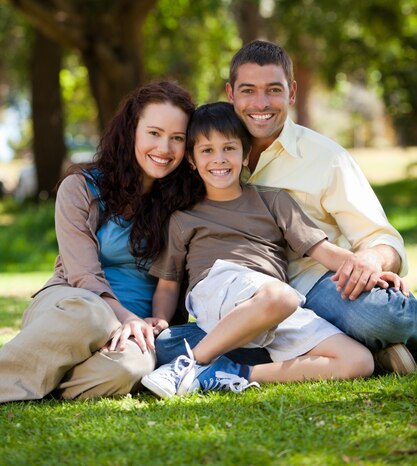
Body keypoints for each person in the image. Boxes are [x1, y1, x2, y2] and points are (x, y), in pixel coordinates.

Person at [155, 40, 417, 375]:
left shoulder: (326, 157)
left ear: (292, 92)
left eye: (273, 90)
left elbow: (382, 239)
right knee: (165, 343)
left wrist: (370, 261)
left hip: (316, 283)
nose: (260, 103)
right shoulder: (208, 146)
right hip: (239, 295)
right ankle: (355, 349)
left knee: (384, 316)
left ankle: (353, 342)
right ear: (230, 93)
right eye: (248, 90)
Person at [141, 102, 376, 398]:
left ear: (246, 153)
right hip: (219, 288)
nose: (219, 159)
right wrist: (161, 321)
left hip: (271, 303)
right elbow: (168, 283)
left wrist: (366, 266)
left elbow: (324, 251)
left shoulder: (273, 201)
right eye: (207, 151)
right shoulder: (184, 217)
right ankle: (191, 362)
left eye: (229, 148)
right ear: (191, 159)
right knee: (282, 295)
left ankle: (228, 373)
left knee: (358, 361)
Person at [0, 80, 198, 403]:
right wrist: (123, 317)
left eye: (177, 138)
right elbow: (83, 277)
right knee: (92, 316)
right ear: (132, 130)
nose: (165, 148)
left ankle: (46, 381)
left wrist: (150, 323)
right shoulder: (81, 188)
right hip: (71, 306)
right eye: (154, 133)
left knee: (133, 367)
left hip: (138, 332)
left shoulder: (185, 202)